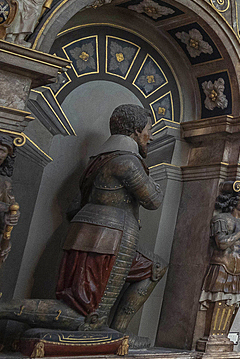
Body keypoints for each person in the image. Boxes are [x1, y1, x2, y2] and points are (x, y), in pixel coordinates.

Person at [55, 104, 166, 331]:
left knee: (154, 267)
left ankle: (117, 333)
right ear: (136, 130)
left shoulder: (97, 161)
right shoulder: (126, 162)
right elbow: (153, 199)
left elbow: (75, 206)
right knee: (83, 312)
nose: (151, 136)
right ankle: (0, 308)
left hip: (95, 234)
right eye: (148, 129)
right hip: (107, 239)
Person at [199, 183, 240, 336]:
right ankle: (212, 337)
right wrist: (238, 235)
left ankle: (221, 338)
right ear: (235, 200)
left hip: (239, 267)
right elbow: (221, 243)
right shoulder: (221, 219)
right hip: (223, 264)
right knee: (219, 300)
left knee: (231, 302)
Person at [0, 134, 18, 292]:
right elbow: (6, 207)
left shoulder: (4, 184)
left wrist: (12, 218)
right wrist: (6, 208)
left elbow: (11, 207)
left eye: (1, 150)